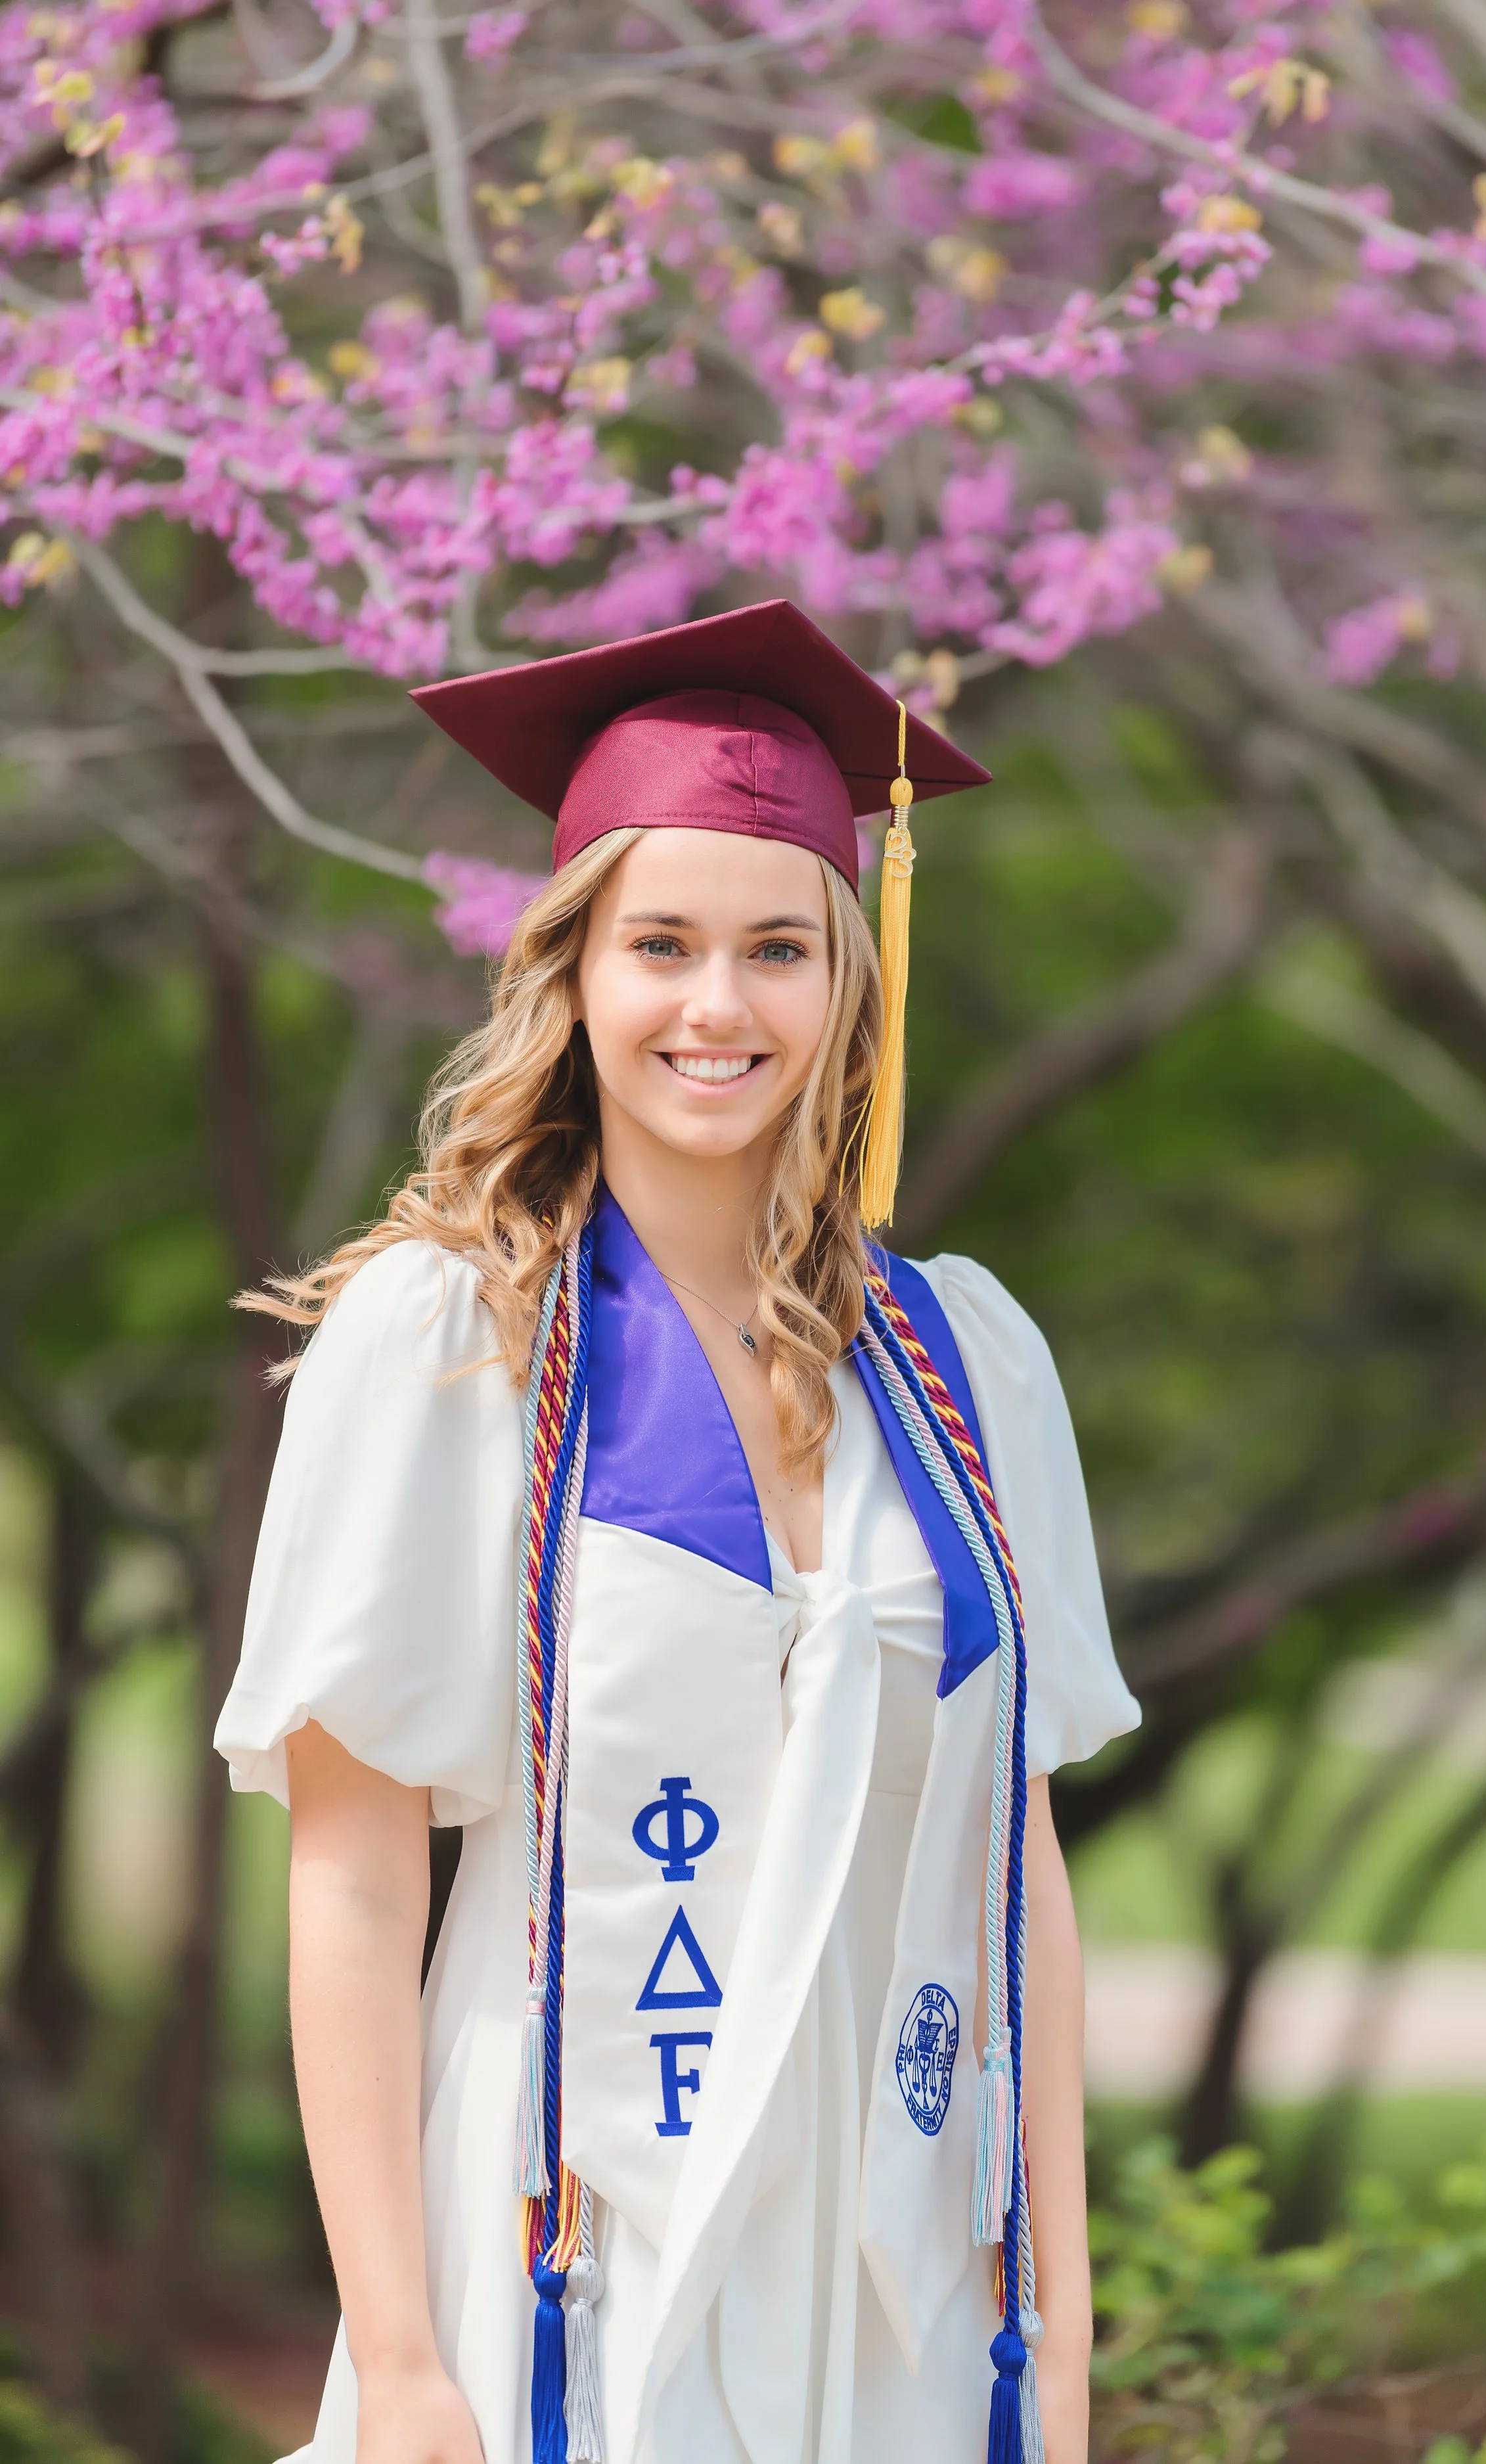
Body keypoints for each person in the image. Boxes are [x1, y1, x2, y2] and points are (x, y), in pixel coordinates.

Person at [215, 598, 1140, 2464]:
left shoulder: (966, 1363)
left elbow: (1015, 1860)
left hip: (896, 2265)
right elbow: (355, 1874)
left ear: (848, 982)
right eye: (662, 945)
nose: (719, 1007)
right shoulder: (451, 1346)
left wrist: (1055, 2322)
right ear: (570, 973)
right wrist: (402, 2359)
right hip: (567, 2222)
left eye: (778, 949)